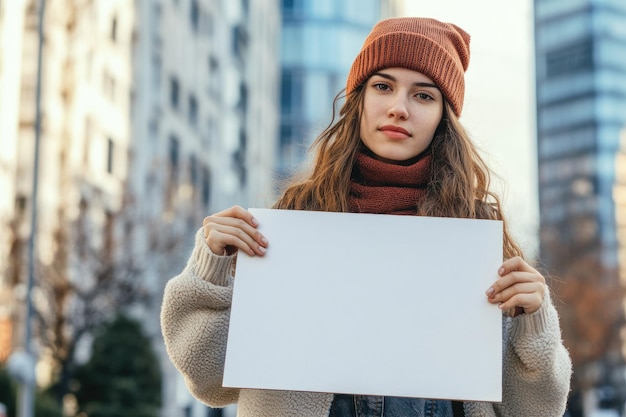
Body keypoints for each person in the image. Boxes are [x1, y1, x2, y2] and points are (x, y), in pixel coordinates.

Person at [160, 17, 572, 417]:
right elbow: (210, 379)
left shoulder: (475, 235)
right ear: (358, 101)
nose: (398, 108)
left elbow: (533, 410)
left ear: (444, 119)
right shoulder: (295, 219)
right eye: (382, 86)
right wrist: (210, 267)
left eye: (423, 95)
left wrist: (533, 322)